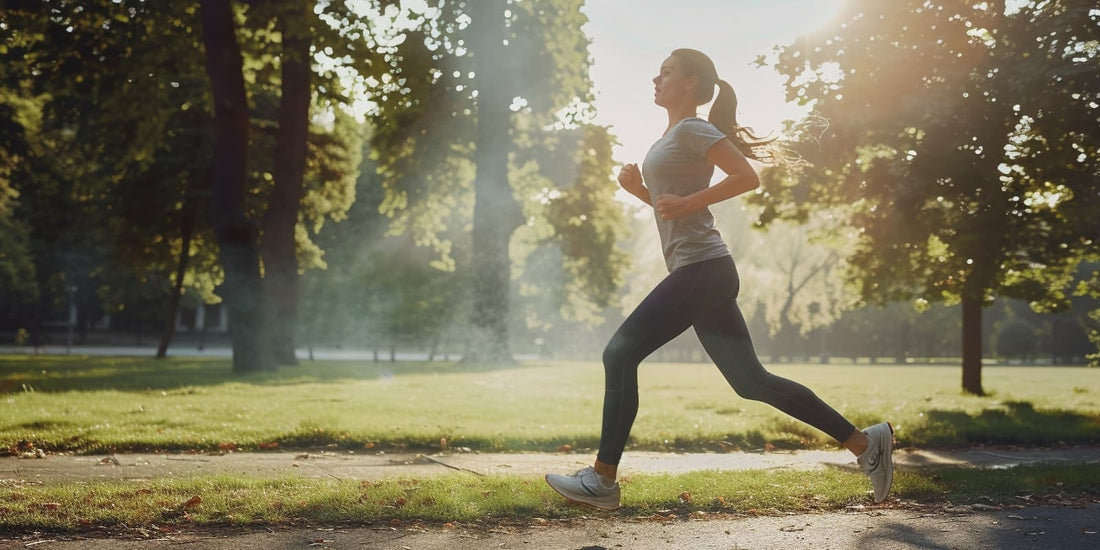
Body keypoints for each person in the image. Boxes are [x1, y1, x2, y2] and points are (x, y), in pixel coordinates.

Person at [544, 48, 894, 510]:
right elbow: (674, 206)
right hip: (704, 271)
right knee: (751, 381)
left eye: (666, 71)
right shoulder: (673, 133)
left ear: (690, 82)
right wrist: (642, 194)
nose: (656, 77)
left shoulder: (692, 128)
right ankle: (866, 445)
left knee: (620, 352)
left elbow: (746, 176)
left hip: (702, 269)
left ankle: (602, 480)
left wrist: (685, 204)